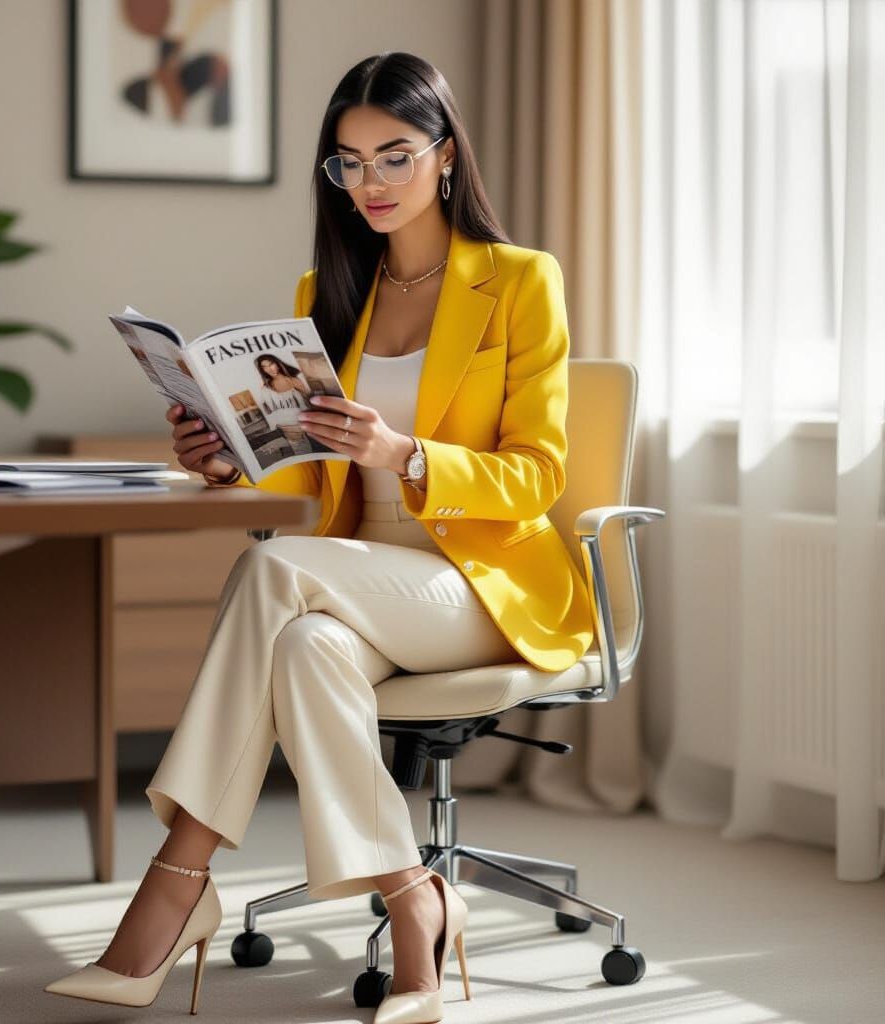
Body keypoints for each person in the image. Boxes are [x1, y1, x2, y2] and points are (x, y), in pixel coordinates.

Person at [46, 51, 594, 1022]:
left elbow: (539, 474)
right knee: (302, 644)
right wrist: (221, 454)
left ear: (445, 157)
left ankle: (177, 880)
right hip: (352, 581)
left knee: (270, 572)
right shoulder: (328, 288)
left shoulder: (517, 281)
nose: (370, 183)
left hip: (475, 583)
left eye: (393, 156)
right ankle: (414, 902)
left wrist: (408, 451)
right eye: (349, 162)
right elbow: (306, 473)